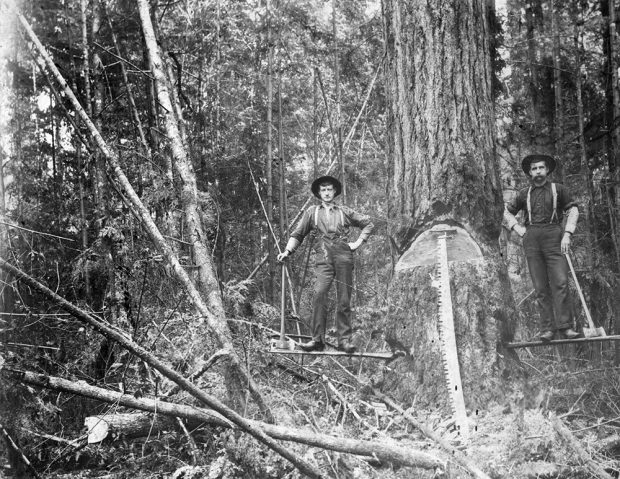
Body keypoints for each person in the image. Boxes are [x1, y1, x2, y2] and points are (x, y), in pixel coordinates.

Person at [277, 176, 374, 353]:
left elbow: (368, 223)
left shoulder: (344, 211)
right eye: (323, 190)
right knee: (319, 295)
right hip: (323, 257)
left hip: (344, 256)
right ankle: (317, 340)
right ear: (319, 193)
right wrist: (287, 251)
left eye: (330, 189)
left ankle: (344, 341)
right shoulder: (312, 212)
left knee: (344, 298)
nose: (327, 192)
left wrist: (358, 242)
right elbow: (298, 234)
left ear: (335, 191)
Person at [504, 154, 580, 341]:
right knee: (540, 287)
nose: (538, 171)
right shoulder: (523, 194)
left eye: (541, 168)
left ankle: (566, 328)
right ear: (530, 172)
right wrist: (518, 229)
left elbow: (573, 210)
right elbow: (506, 212)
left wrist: (568, 234)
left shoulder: (559, 190)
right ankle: (547, 330)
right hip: (532, 239)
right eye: (534, 168)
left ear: (547, 170)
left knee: (561, 282)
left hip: (554, 237)